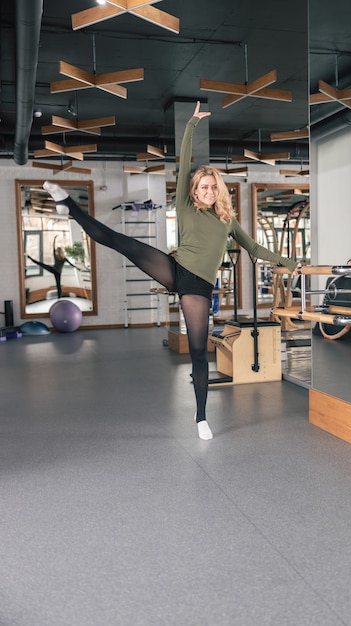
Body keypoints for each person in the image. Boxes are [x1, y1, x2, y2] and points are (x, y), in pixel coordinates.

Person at [43, 101, 297, 440]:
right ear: (194, 190)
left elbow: (254, 249)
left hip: (199, 286)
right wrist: (191, 124)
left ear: (218, 189)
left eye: (212, 187)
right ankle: (69, 205)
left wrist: (290, 263)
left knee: (197, 352)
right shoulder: (184, 204)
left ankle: (201, 417)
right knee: (120, 241)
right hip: (174, 268)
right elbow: (184, 161)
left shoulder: (227, 219)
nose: (208, 191)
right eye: (202, 187)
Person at [26, 235, 78, 299]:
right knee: (58, 285)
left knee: (41, 264)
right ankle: (59, 297)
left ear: (58, 252)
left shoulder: (56, 256)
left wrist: (54, 239)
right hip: (58, 272)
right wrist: (77, 268)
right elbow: (71, 264)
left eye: (57, 251)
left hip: (53, 270)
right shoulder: (64, 258)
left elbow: (53, 248)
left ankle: (30, 258)